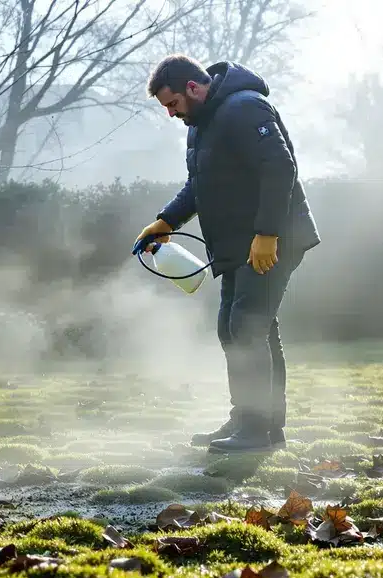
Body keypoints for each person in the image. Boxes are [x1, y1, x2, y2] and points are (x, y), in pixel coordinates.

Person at [134, 55, 320, 453]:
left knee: (246, 328)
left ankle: (255, 431)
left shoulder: (244, 106)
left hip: (274, 240)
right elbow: (198, 186)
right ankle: (256, 424)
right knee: (236, 329)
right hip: (237, 246)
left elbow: (280, 168)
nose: (171, 114)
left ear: (193, 88)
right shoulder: (200, 126)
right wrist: (165, 222)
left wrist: (268, 233)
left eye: (173, 104)